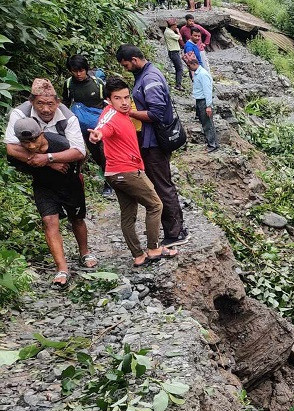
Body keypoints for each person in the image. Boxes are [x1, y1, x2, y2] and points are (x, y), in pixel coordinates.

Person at [90, 77, 177, 266]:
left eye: (126, 97)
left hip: (115, 174)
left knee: (128, 215)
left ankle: (138, 256)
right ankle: (153, 249)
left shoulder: (120, 113)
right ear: (108, 100)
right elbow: (103, 128)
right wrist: (98, 135)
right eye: (117, 98)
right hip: (127, 172)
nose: (124, 102)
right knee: (155, 205)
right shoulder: (111, 117)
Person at [5, 116, 93, 286]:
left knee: (77, 218)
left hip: (69, 183)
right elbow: (25, 163)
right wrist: (49, 164)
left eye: (34, 140)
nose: (31, 146)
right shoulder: (17, 153)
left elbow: (81, 154)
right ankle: (62, 268)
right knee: (49, 221)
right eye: (25, 142)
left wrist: (55, 159)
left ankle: (85, 251)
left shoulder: (60, 143)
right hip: (43, 186)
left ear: (42, 133)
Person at [116, 44, 190, 247]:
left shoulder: (150, 79)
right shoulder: (145, 75)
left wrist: (127, 112)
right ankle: (172, 228)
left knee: (162, 186)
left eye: (126, 65)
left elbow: (156, 114)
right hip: (150, 141)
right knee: (160, 184)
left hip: (155, 143)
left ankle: (176, 233)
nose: (126, 69)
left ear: (134, 59)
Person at [63, 54, 113, 199]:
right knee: (96, 154)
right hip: (83, 126)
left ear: (86, 69)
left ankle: (109, 184)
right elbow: (66, 105)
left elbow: (108, 102)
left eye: (81, 70)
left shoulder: (98, 84)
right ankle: (107, 174)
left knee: (105, 152)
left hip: (101, 124)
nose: (79, 74)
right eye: (75, 71)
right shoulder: (68, 85)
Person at [184, 53, 218, 152]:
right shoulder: (198, 73)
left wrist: (208, 106)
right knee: (205, 123)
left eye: (189, 66)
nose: (189, 68)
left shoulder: (203, 74)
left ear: (194, 64)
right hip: (199, 101)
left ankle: (212, 145)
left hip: (204, 102)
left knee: (208, 124)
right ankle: (212, 143)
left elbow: (207, 91)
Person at [164, 19, 185, 91]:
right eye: (175, 25)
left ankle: (178, 83)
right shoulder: (169, 32)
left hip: (174, 52)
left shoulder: (169, 31)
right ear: (172, 26)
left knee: (178, 68)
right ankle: (178, 85)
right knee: (180, 68)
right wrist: (178, 31)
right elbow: (180, 38)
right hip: (173, 52)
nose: (176, 26)